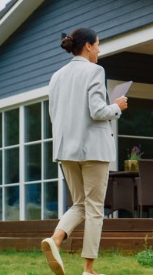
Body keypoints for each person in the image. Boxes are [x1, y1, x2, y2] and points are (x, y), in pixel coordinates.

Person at [41, 28, 128, 275]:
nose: (99, 50)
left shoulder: (56, 76)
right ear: (88, 46)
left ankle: (55, 240)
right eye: (98, 45)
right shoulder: (95, 71)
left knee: (79, 203)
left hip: (65, 149)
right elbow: (98, 111)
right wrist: (117, 106)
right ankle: (88, 269)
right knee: (94, 209)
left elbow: (53, 114)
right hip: (93, 150)